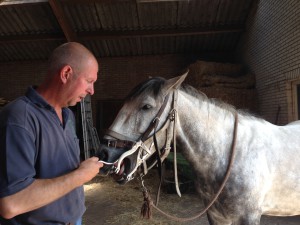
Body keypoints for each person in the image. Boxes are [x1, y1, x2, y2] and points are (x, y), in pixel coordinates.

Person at [0, 42, 103, 225]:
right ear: (66, 74)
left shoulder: (68, 115)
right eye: (89, 81)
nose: (92, 91)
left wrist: (82, 167)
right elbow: (11, 202)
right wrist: (81, 175)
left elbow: (55, 166)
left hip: (74, 219)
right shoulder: (19, 118)